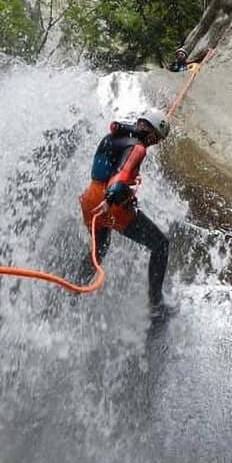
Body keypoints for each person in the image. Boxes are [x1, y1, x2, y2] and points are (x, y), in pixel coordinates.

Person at [78, 108, 172, 313]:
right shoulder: (138, 148)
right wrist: (111, 199)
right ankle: (156, 304)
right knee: (161, 245)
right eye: (156, 140)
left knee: (100, 250)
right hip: (110, 206)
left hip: (90, 200)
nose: (153, 144)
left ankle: (74, 288)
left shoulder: (114, 136)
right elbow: (122, 174)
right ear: (151, 134)